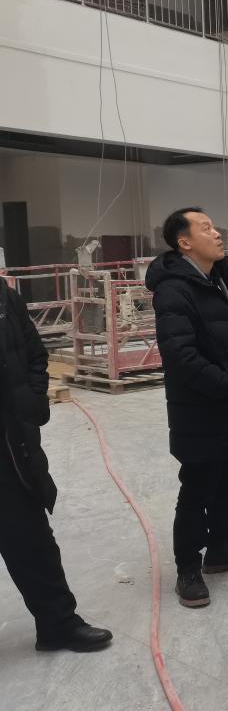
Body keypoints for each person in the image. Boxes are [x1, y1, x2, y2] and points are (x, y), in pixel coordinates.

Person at [147, 208, 228, 609]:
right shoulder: (174, 289)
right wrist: (227, 384)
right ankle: (188, 567)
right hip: (201, 409)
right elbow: (180, 355)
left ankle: (220, 547)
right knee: (198, 487)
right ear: (184, 242)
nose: (217, 234)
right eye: (206, 228)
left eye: (214, 226)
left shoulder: (218, 278)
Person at [0, 276, 113, 653]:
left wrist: (31, 402)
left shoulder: (5, 299)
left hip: (10, 446)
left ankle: (57, 625)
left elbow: (35, 355)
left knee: (31, 538)